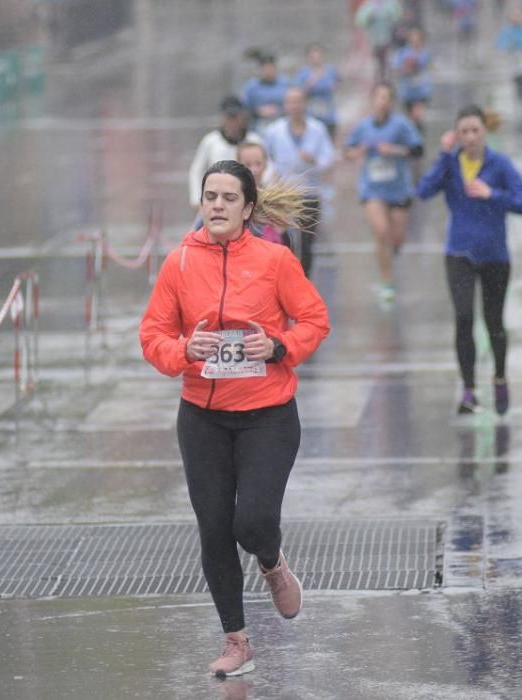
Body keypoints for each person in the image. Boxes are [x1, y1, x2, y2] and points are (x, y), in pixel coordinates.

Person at [140, 161, 330, 678]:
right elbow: (152, 335)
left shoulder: (275, 260)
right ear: (200, 203)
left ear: (248, 208)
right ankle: (236, 640)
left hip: (267, 414)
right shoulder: (178, 263)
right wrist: (184, 349)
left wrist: (277, 345)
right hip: (202, 417)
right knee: (215, 530)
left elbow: (314, 319)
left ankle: (272, 564)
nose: (217, 205)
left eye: (228, 197)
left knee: (252, 522)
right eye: (210, 196)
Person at [416, 105, 522, 415]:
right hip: (459, 253)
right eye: (463, 131)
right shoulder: (450, 164)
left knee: (494, 321)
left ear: (485, 132)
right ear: (456, 135)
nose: (470, 137)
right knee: (464, 317)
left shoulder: (500, 164)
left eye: (475, 130)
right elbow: (424, 191)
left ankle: (499, 377)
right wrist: (443, 155)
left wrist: (492, 194)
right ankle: (468, 390)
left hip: (495, 255)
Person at [344, 81, 423, 302]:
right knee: (381, 231)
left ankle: (393, 247)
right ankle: (387, 282)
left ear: (392, 102)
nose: (382, 102)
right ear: (372, 100)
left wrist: (395, 150)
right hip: (372, 189)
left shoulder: (402, 125)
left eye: (387, 98)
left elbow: (418, 150)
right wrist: (357, 152)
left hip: (398, 190)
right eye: (379, 97)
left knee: (396, 237)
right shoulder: (363, 127)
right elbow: (347, 151)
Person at [262, 86, 336, 277]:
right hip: (283, 192)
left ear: (305, 104)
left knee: (306, 240)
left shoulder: (317, 129)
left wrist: (315, 161)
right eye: (290, 102)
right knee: (284, 236)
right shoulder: (274, 131)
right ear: (285, 105)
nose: (294, 106)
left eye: (298, 101)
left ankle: (304, 279)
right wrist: (272, 173)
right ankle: (288, 277)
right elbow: (265, 157)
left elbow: (328, 157)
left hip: (309, 191)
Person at [188, 95, 264, 215]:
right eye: (229, 117)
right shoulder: (210, 141)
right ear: (223, 117)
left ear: (242, 116)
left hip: (248, 201)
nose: (233, 121)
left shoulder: (255, 140)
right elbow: (196, 170)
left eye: (236, 117)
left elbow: (268, 169)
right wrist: (196, 199)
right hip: (215, 202)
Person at [237, 141, 287, 246]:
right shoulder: (229, 197)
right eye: (248, 164)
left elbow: (284, 233)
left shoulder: (275, 198)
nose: (254, 170)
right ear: (237, 166)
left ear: (265, 165)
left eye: (258, 163)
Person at [496, 7, 522, 121]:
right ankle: (519, 104)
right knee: (517, 84)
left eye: (519, 16)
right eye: (515, 16)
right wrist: (507, 47)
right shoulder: (507, 31)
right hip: (513, 64)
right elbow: (500, 44)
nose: (517, 19)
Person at [391, 27, 433, 134]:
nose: (415, 43)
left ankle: (419, 135)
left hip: (422, 91)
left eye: (418, 40)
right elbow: (395, 70)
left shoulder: (425, 53)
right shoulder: (401, 53)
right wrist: (404, 70)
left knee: (417, 115)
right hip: (407, 92)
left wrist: (414, 65)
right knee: (410, 120)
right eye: (413, 40)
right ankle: (414, 137)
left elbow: (427, 65)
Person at [294, 44, 340, 141]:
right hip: (311, 115)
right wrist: (312, 81)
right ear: (308, 57)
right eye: (313, 56)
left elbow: (335, 85)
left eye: (318, 55)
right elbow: (300, 92)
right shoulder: (303, 73)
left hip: (328, 114)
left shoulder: (330, 70)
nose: (316, 58)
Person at [240, 52, 289, 134]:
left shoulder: (285, 84)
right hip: (258, 124)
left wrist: (279, 110)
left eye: (270, 67)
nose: (268, 71)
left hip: (282, 123)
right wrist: (258, 112)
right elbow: (243, 109)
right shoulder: (251, 87)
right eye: (265, 68)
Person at [354, 0, 403, 81]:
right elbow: (360, 21)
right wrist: (370, 15)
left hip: (389, 37)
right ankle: (378, 81)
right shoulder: (368, 5)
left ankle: (389, 81)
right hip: (374, 38)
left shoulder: (392, 3)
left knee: (389, 60)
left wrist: (389, 15)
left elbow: (398, 17)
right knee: (377, 62)